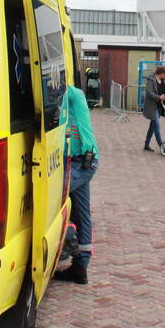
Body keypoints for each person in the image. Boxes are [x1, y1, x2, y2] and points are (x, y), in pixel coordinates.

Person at [55, 86, 97, 284]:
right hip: (84, 160)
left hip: (79, 161)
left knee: (54, 202)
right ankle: (81, 267)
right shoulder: (76, 94)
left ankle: (67, 245)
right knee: (81, 212)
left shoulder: (69, 94)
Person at [142, 65, 165, 152]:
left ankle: (146, 145)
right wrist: (159, 97)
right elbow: (149, 93)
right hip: (152, 106)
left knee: (152, 126)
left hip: (160, 106)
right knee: (156, 126)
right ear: (162, 74)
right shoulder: (151, 80)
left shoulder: (164, 81)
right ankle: (162, 146)